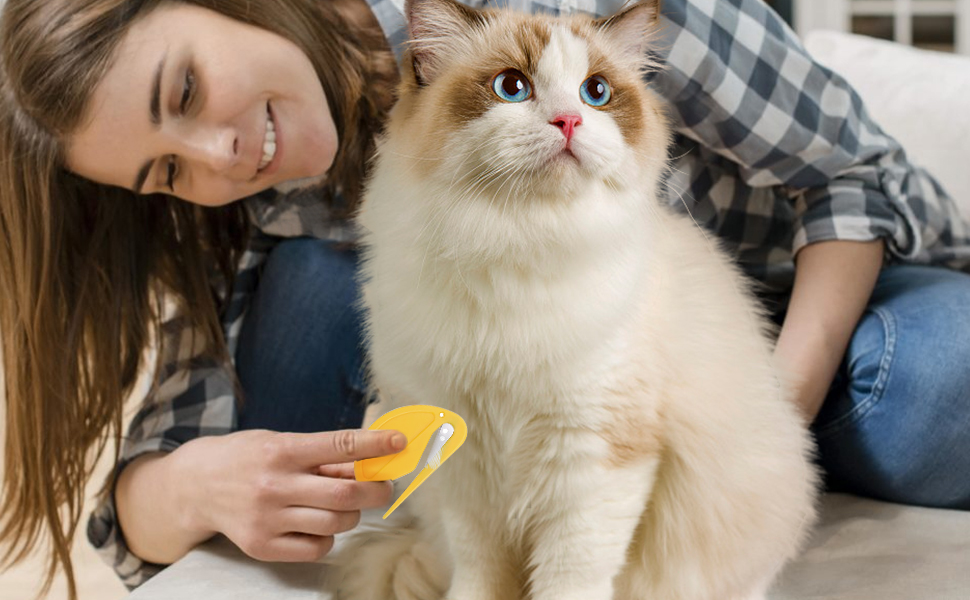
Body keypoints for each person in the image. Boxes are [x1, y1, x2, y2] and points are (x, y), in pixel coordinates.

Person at [0, 0, 968, 596]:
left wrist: (762, 415)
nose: (221, 153)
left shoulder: (551, 16)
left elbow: (853, 175)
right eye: (167, 170)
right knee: (304, 290)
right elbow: (139, 512)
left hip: (795, 292)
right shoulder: (258, 195)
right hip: (547, 374)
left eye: (186, 89)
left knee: (923, 385)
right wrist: (183, 485)